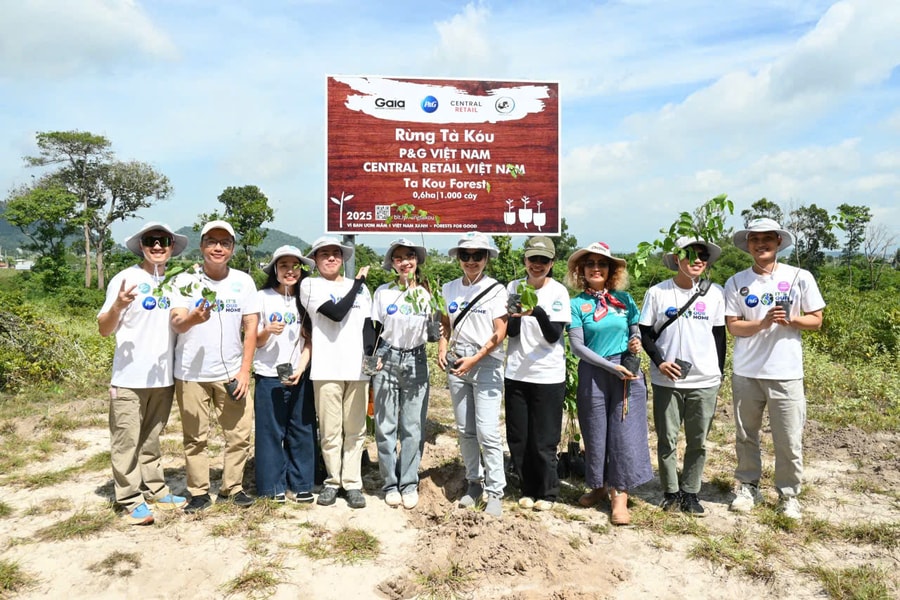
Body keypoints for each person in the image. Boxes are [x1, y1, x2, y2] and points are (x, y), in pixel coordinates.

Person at [725, 218, 824, 521]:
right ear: (748, 245)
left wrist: (792, 320)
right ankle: (748, 486)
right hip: (747, 372)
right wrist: (763, 323)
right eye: (755, 239)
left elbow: (816, 320)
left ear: (779, 242)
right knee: (745, 434)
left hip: (786, 372)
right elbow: (734, 327)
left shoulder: (799, 277)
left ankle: (789, 494)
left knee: (788, 437)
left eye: (768, 238)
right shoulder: (736, 281)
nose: (761, 244)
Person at [98, 222, 189, 525]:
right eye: (151, 241)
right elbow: (103, 329)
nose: (158, 246)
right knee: (126, 441)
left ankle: (155, 488)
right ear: (141, 245)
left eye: (164, 240)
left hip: (162, 378)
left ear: (172, 246)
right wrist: (118, 306)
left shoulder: (176, 283)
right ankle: (129, 497)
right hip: (128, 379)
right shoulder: (125, 279)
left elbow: (179, 322)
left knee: (151, 438)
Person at [170, 220, 260, 513]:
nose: (218, 247)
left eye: (225, 243)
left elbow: (251, 325)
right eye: (212, 242)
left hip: (231, 373)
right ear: (202, 246)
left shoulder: (244, 282)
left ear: (232, 249)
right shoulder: (185, 280)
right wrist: (193, 319)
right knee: (195, 438)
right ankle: (198, 491)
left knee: (239, 435)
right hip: (191, 374)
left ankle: (232, 487)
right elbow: (177, 322)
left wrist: (244, 370)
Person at [639, 237, 726, 516]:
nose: (697, 260)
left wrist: (719, 372)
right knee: (667, 439)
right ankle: (670, 492)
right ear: (677, 259)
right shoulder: (658, 293)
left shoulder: (715, 293)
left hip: (704, 380)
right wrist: (660, 362)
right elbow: (645, 334)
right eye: (690, 254)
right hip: (668, 379)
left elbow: (719, 336)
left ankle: (691, 492)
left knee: (698, 440)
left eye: (703, 256)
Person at [566, 241, 651, 526]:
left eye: (602, 264)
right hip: (595, 371)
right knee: (595, 431)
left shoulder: (624, 300)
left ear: (610, 270)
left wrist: (634, 342)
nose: (596, 268)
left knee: (624, 432)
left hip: (625, 372)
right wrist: (607, 366)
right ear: (582, 270)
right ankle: (599, 485)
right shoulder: (577, 304)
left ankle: (620, 495)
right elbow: (578, 346)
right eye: (590, 264)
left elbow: (634, 329)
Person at [437, 231, 508, 517]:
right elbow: (445, 323)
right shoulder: (449, 288)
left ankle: (495, 490)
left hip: (485, 362)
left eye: (478, 256)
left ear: (487, 258)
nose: (471, 261)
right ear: (459, 259)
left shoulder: (496, 290)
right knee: (465, 429)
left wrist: (475, 359)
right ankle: (474, 482)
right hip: (457, 362)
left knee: (487, 430)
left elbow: (500, 332)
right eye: (465, 256)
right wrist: (442, 348)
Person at [300, 236, 373, 509]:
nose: (330, 258)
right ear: (316, 260)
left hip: (357, 369)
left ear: (343, 259)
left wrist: (370, 359)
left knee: (355, 430)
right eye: (324, 254)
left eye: (335, 253)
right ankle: (332, 481)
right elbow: (335, 312)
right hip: (327, 367)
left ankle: (352, 483)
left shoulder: (361, 291)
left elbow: (367, 326)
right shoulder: (310, 285)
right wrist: (359, 284)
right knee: (330, 430)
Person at [504, 236, 571, 512]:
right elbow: (511, 333)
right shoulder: (514, 287)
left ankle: (548, 492)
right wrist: (515, 316)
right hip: (517, 372)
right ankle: (527, 487)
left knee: (544, 439)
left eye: (543, 261)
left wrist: (536, 311)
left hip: (547, 376)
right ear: (525, 261)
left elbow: (554, 335)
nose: (537, 265)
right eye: (533, 260)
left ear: (552, 263)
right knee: (519, 437)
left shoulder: (558, 292)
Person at [254, 245, 318, 504]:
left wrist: (302, 368)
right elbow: (254, 340)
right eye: (283, 266)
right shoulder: (262, 297)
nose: (290, 271)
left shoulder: (306, 300)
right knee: (270, 432)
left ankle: (302, 483)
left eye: (295, 266)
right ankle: (272, 486)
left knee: (301, 429)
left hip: (299, 374)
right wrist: (267, 330)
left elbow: (311, 340)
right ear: (275, 271)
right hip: (268, 374)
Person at [371, 238, 432, 510]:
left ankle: (408, 482)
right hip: (387, 357)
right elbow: (372, 331)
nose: (405, 262)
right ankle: (389, 483)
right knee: (385, 425)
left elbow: (432, 333)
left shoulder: (428, 294)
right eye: (398, 258)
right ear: (392, 264)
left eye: (409, 256)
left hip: (416, 359)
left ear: (416, 260)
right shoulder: (383, 293)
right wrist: (371, 364)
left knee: (412, 426)